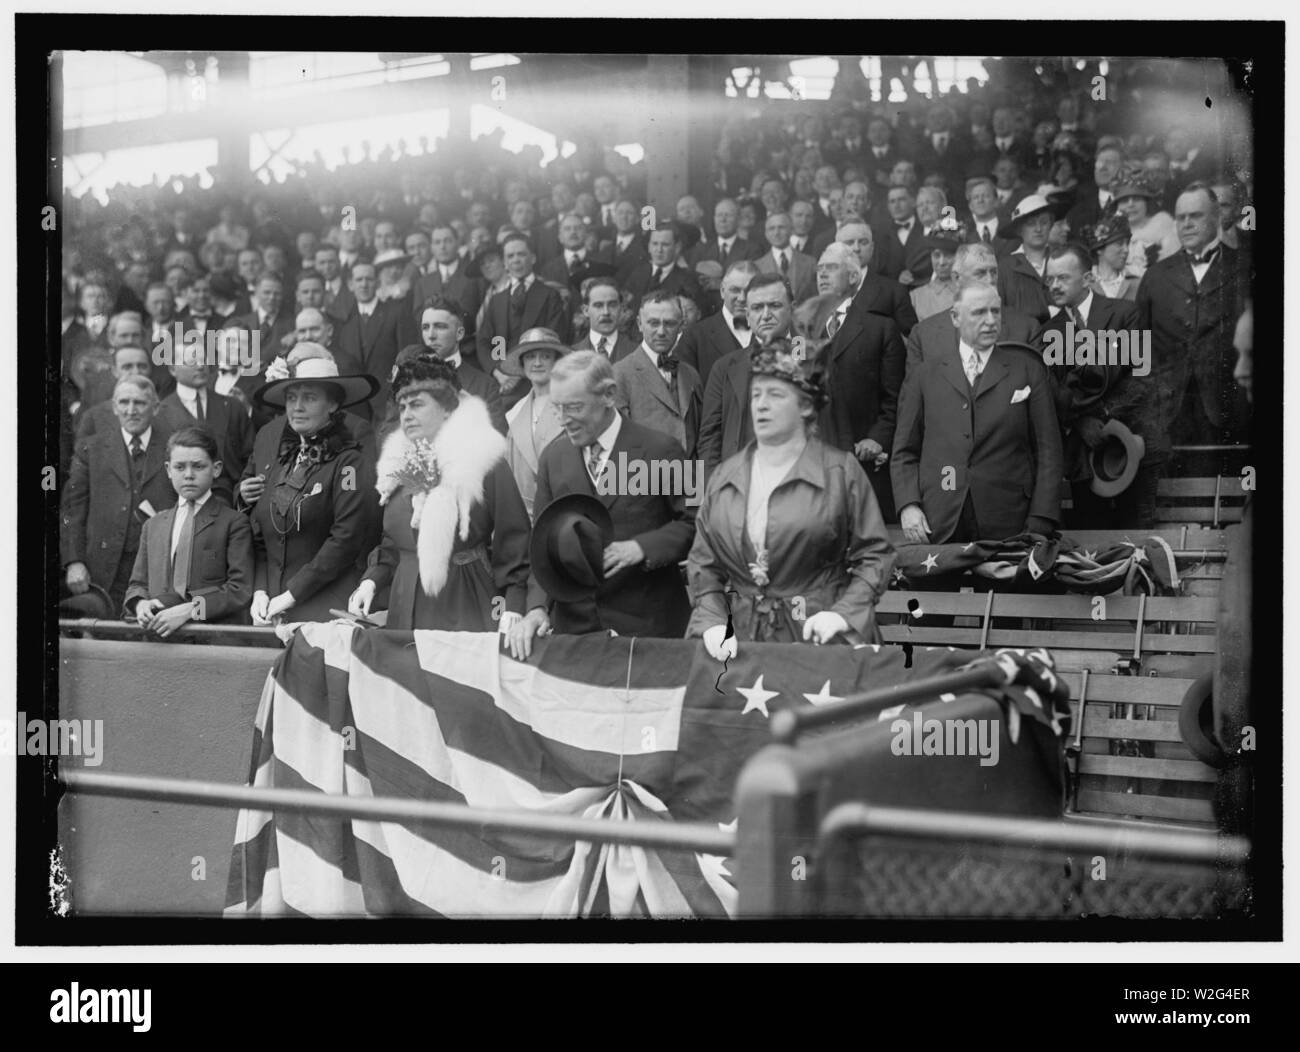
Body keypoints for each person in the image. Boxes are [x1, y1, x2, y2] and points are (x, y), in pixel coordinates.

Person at [687, 337, 894, 653]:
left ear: (806, 406)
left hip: (820, 636)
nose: (761, 405)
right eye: (756, 394)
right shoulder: (724, 476)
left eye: (775, 394)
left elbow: (876, 555)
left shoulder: (840, 472)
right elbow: (704, 564)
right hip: (740, 642)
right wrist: (713, 622)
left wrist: (843, 615)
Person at [506, 350, 696, 655]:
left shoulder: (664, 449)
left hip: (650, 631)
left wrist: (642, 547)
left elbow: (697, 524)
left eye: (574, 407)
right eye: (557, 409)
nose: (563, 420)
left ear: (609, 395)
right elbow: (541, 549)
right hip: (576, 634)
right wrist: (537, 608)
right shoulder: (553, 459)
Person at [347, 355, 531, 631]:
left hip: (463, 597)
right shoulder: (398, 464)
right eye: (402, 406)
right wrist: (372, 579)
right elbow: (393, 540)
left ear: (447, 408)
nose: (406, 414)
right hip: (404, 601)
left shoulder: (484, 461)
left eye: (417, 405)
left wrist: (513, 608)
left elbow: (515, 541)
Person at [892, 281, 1063, 544]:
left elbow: (1048, 449)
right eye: (979, 312)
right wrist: (909, 506)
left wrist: (1041, 517)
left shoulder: (1027, 369)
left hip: (1010, 519)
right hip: (938, 518)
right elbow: (904, 451)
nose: (990, 320)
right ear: (955, 318)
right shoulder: (925, 375)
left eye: (996, 311)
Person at [242, 353, 380, 624]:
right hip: (271, 608)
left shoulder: (348, 462)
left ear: (333, 404)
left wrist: (292, 594)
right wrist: (260, 590)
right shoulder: (283, 459)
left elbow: (346, 539)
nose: (297, 407)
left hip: (324, 606)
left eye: (310, 398)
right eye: (292, 398)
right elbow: (260, 534)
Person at [1038, 243, 1155, 528]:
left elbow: (1141, 377)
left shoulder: (1126, 314)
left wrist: (1102, 419)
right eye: (1050, 279)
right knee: (1093, 538)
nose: (1054, 285)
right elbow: (1053, 391)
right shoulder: (1048, 333)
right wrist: (1081, 425)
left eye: (1063, 277)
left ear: (1088, 278)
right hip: (1083, 455)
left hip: (1128, 444)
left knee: (1134, 534)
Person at [1135, 182, 1250, 450]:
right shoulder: (1155, 276)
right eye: (1180, 217)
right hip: (1167, 414)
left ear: (1217, 217)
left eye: (1195, 216)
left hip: (1230, 409)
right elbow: (1138, 349)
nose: (1186, 224)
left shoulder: (1245, 267)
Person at [61, 376, 177, 610]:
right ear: (114, 407)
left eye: (140, 403)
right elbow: (73, 511)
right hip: (103, 571)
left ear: (155, 408)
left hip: (159, 570)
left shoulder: (174, 447)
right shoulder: (90, 449)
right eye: (124, 402)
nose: (131, 410)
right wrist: (74, 562)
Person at [124, 426, 254, 633]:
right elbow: (137, 585)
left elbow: (240, 590)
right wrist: (141, 605)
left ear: (216, 468)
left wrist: (191, 610)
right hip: (158, 637)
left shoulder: (233, 523)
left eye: (198, 466)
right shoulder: (153, 525)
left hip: (210, 638)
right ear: (168, 470)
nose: (189, 475)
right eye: (180, 467)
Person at [700, 273, 794, 472]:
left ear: (791, 309)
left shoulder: (812, 358)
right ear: (748, 318)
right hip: (743, 482)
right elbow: (710, 439)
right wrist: (715, 490)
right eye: (757, 308)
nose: (766, 315)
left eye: (775, 305)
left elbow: (836, 429)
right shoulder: (725, 367)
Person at [612, 290, 703, 458]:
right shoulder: (620, 374)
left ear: (681, 325)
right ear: (639, 324)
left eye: (669, 323)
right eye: (653, 323)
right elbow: (618, 442)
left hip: (690, 478)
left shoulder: (691, 375)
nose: (661, 331)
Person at [501, 328, 568, 520]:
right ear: (522, 364)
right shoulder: (514, 414)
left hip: (564, 514)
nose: (537, 363)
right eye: (530, 357)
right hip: (524, 519)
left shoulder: (572, 406)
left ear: (557, 362)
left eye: (545, 356)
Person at [677, 261, 756, 387]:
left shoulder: (774, 333)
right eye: (735, 290)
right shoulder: (694, 337)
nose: (741, 298)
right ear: (722, 291)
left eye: (749, 291)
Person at [997, 195, 1056, 324]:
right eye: (1031, 223)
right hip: (1022, 340)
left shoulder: (1062, 260)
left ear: (1050, 225)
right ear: (1019, 229)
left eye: (1044, 222)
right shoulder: (1006, 267)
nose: (1038, 229)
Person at [1114, 175, 1181, 279]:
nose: (1131, 205)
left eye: (1136, 199)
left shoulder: (1163, 226)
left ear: (1146, 202)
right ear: (1117, 206)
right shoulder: (1112, 233)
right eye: (1124, 200)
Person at [755, 211, 816, 304]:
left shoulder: (810, 263)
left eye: (781, 227)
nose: (776, 233)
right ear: (766, 233)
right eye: (771, 229)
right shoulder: (757, 266)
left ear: (791, 230)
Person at [571, 277, 637, 363]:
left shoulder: (637, 353)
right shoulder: (572, 355)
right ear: (586, 310)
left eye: (612, 305)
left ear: (621, 308)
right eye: (598, 305)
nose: (606, 312)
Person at [1081, 215, 1141, 302]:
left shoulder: (1137, 284)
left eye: (1127, 244)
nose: (1126, 250)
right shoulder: (1084, 284)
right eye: (1119, 244)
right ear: (1100, 249)